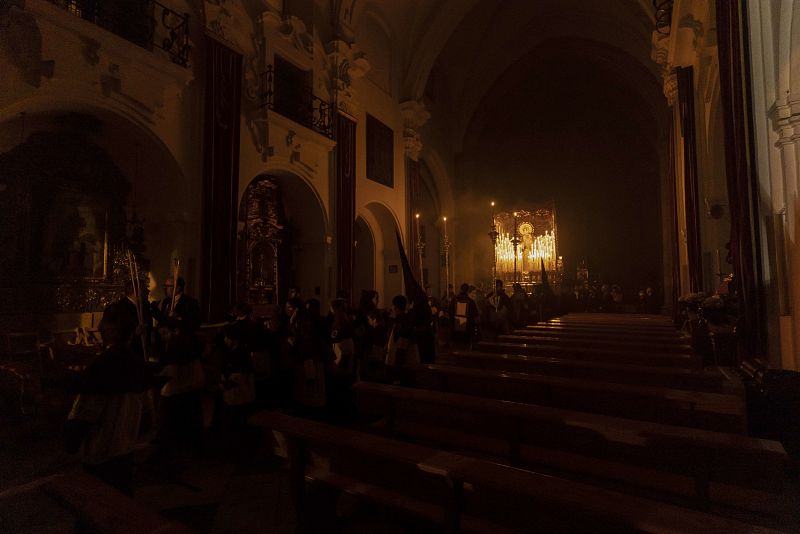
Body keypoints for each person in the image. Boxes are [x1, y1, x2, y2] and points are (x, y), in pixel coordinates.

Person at [65, 305, 154, 495]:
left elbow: (84, 413)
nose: (98, 328)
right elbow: (146, 417)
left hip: (101, 454)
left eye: (102, 324)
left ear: (110, 329)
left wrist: (71, 442)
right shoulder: (138, 365)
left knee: (98, 503)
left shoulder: (102, 367)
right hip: (126, 452)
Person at [450, 283, 479, 347]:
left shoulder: (454, 300)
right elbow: (476, 316)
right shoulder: (471, 302)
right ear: (468, 291)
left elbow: (450, 313)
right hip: (467, 332)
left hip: (456, 331)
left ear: (461, 289)